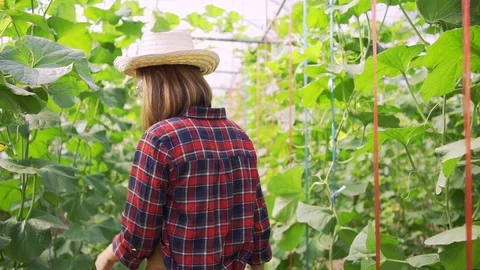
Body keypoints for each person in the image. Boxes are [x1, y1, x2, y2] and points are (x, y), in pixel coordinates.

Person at [95, 30, 272, 270]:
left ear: (157, 82)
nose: (142, 95)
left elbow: (141, 230)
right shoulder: (239, 137)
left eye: (141, 87)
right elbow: (256, 220)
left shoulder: (160, 139)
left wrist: (109, 256)